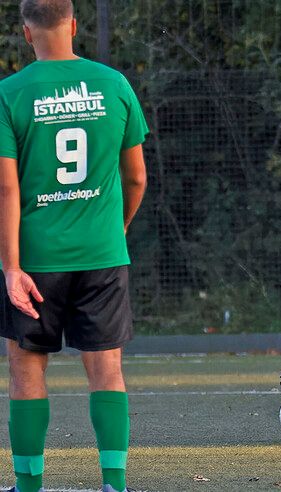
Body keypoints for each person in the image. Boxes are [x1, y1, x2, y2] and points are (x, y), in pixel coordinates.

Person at [0, 1, 148, 491]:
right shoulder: (115, 85)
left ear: (26, 33)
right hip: (102, 253)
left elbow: (6, 189)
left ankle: (27, 487)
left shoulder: (9, 93)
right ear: (74, 26)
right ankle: (114, 483)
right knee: (106, 370)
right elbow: (137, 179)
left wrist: (11, 267)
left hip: (36, 259)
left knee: (25, 368)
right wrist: (116, 229)